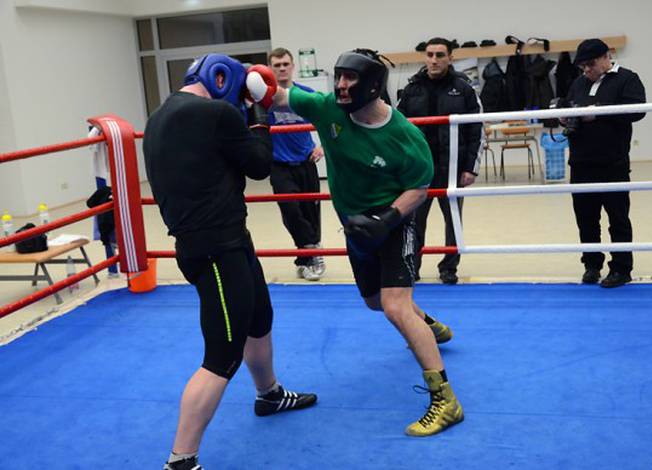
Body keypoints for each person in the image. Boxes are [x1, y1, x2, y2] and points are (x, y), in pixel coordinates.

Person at [246, 48, 463, 437]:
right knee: (375, 301)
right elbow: (277, 96)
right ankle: (428, 325)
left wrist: (389, 218)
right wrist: (241, 79)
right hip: (355, 225)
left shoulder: (404, 136)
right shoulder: (327, 108)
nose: (342, 85)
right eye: (339, 76)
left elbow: (419, 188)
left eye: (351, 79)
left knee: (396, 307)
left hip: (395, 221)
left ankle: (445, 400)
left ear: (374, 86)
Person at [143, 54, 317, 470]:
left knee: (259, 318)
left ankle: (268, 394)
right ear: (222, 80)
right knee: (222, 355)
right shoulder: (216, 113)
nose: (240, 100)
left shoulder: (161, 115)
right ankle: (181, 460)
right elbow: (258, 165)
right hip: (215, 248)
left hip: (221, 240)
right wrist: (258, 107)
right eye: (239, 91)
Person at [397, 37, 484, 285]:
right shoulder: (412, 88)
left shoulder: (464, 88)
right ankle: (411, 266)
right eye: (430, 55)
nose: (434, 60)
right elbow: (398, 129)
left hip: (453, 168)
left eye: (440, 55)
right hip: (420, 170)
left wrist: (470, 168)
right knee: (413, 222)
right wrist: (401, 167)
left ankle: (449, 267)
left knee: (453, 221)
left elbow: (476, 128)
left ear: (450, 58)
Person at [563, 39, 646, 288]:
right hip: (580, 161)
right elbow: (570, 107)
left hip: (613, 161)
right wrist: (565, 116)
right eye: (582, 66)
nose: (586, 70)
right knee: (585, 218)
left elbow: (638, 110)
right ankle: (591, 264)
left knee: (618, 217)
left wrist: (599, 111)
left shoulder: (627, 79)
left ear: (606, 57)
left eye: (590, 64)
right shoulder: (579, 83)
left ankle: (621, 268)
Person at [268, 47, 326, 281]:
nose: (282, 68)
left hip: (305, 161)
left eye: (285, 64)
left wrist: (323, 147)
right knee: (290, 210)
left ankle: (306, 258)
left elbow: (327, 121)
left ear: (292, 66)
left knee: (310, 211)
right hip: (279, 164)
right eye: (277, 65)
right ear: (271, 69)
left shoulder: (306, 94)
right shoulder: (266, 98)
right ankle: (313, 252)